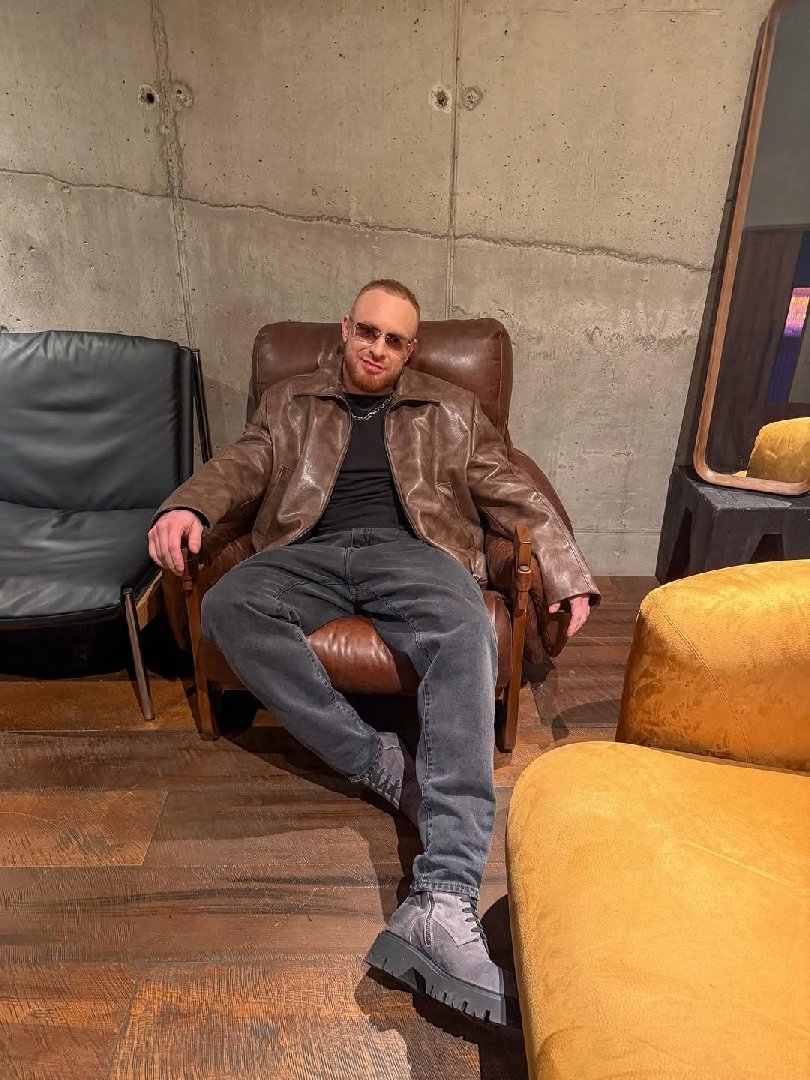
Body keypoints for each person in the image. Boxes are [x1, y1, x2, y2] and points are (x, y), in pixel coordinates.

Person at [148, 279, 598, 1025]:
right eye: (367, 332)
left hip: (413, 553)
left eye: (394, 340)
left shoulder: (454, 410)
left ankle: (443, 899)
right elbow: (241, 465)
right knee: (227, 605)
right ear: (345, 328)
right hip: (309, 551)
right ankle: (380, 762)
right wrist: (188, 505)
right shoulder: (290, 401)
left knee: (465, 626)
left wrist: (564, 570)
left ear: (411, 349)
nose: (377, 349)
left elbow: (513, 492)